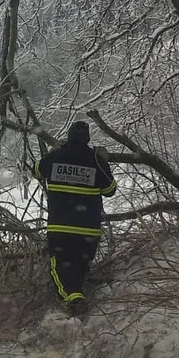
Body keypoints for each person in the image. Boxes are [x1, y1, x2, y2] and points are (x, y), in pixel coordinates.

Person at [34, 121, 117, 317]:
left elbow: (37, 170)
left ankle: (74, 299)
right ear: (87, 139)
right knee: (80, 265)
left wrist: (55, 150)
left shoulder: (57, 157)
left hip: (61, 227)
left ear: (69, 136)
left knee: (59, 265)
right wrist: (104, 162)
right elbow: (110, 190)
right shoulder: (95, 160)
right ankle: (77, 296)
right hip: (89, 230)